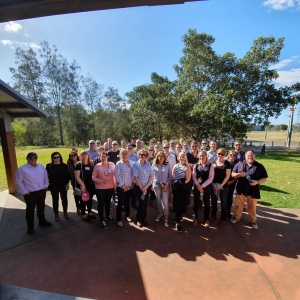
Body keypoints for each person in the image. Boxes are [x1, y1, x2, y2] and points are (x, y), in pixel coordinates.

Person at [15, 152, 52, 234]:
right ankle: (30, 227)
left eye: (35, 158)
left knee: (41, 207)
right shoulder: (22, 169)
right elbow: (18, 182)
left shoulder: (41, 167)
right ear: (27, 159)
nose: (33, 159)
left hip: (41, 191)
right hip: (30, 194)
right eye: (31, 158)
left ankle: (42, 222)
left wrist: (46, 185)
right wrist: (25, 191)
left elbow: (45, 177)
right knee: (30, 211)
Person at [231, 150, 268, 229]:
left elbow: (265, 178)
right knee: (238, 205)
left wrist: (257, 182)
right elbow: (232, 174)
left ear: (254, 156)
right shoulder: (240, 164)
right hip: (240, 189)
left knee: (252, 207)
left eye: (251, 155)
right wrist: (239, 174)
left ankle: (253, 221)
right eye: (248, 155)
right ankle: (236, 217)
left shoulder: (259, 166)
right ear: (245, 156)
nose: (250, 157)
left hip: (253, 190)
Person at [92, 151, 115, 229]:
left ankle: (108, 215)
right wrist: (102, 181)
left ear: (107, 157)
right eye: (101, 156)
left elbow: (115, 175)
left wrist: (115, 185)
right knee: (101, 204)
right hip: (100, 189)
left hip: (110, 188)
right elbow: (93, 177)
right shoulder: (97, 166)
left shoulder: (112, 165)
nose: (103, 158)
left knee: (108, 203)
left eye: (104, 156)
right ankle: (102, 220)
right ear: (99, 157)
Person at [46, 152, 71, 222]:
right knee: (55, 200)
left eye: (58, 157)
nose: (57, 159)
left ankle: (65, 212)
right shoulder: (49, 166)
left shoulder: (64, 166)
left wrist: (67, 184)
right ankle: (56, 214)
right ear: (52, 158)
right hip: (53, 186)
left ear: (60, 157)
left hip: (63, 185)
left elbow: (67, 176)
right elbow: (46, 177)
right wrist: (47, 185)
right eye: (55, 157)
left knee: (64, 199)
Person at [192, 151, 214, 227]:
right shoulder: (196, 165)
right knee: (195, 202)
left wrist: (202, 186)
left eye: (203, 156)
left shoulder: (210, 165)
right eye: (200, 156)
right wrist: (198, 185)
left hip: (207, 186)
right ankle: (195, 217)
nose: (201, 157)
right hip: (197, 186)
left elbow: (211, 178)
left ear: (206, 156)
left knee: (207, 203)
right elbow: (194, 176)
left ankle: (206, 219)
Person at [133, 149, 153, 227]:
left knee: (145, 203)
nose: (142, 156)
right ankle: (138, 219)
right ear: (139, 155)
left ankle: (144, 218)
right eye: (141, 154)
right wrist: (142, 188)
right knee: (141, 203)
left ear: (146, 156)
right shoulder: (135, 164)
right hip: (139, 187)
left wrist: (147, 187)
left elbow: (151, 176)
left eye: (144, 155)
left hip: (147, 187)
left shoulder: (148, 164)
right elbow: (136, 177)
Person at [171, 152, 191, 232]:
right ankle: (177, 217)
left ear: (185, 158)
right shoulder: (175, 165)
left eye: (183, 157)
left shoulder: (187, 166)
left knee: (181, 202)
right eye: (180, 157)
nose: (181, 158)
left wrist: (182, 184)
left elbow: (188, 178)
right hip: (176, 185)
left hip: (182, 185)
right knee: (176, 201)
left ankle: (178, 220)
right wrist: (176, 183)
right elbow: (173, 175)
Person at [211, 148, 231, 226]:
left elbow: (227, 176)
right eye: (219, 154)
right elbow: (211, 175)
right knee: (213, 201)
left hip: (223, 186)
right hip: (214, 185)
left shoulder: (227, 164)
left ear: (224, 155)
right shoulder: (213, 162)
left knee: (224, 202)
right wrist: (212, 184)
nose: (220, 156)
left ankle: (223, 218)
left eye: (222, 154)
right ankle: (213, 215)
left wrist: (221, 186)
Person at [115, 149, 135, 227]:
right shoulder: (118, 164)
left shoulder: (132, 163)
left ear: (128, 154)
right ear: (120, 155)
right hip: (121, 187)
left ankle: (127, 215)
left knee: (127, 202)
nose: (124, 155)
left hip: (130, 186)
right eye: (122, 154)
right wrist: (123, 186)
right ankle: (118, 219)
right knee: (120, 203)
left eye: (126, 154)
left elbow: (134, 174)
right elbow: (117, 176)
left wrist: (133, 183)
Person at [152, 151, 172, 227]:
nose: (161, 158)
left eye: (162, 156)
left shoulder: (167, 165)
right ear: (157, 157)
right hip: (156, 184)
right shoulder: (154, 164)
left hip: (165, 185)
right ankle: (161, 213)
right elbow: (152, 176)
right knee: (158, 200)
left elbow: (170, 176)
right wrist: (152, 185)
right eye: (159, 156)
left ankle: (166, 216)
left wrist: (167, 185)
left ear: (164, 157)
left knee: (165, 201)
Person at [74, 151, 95, 222]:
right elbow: (77, 177)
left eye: (86, 155)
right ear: (80, 156)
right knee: (83, 200)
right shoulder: (78, 165)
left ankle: (89, 212)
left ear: (88, 156)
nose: (84, 156)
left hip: (91, 185)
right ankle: (83, 214)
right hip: (82, 185)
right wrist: (82, 185)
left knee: (90, 199)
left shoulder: (91, 163)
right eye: (82, 155)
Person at [226, 150, 238, 218]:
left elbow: (237, 175)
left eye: (234, 155)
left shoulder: (237, 163)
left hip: (232, 183)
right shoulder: (225, 162)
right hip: (224, 182)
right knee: (224, 198)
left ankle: (228, 212)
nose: (232, 156)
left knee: (229, 197)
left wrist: (232, 181)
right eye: (231, 154)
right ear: (228, 155)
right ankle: (223, 211)